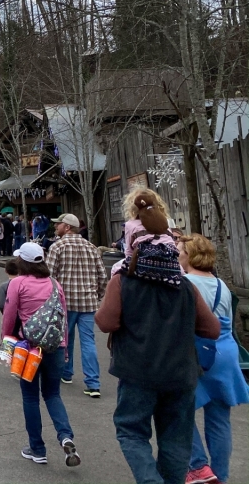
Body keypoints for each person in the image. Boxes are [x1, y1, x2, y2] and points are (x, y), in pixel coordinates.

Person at [95, 203, 221, 484]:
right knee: (176, 439)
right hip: (181, 373)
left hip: (137, 372)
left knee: (131, 431)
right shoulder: (185, 285)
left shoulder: (123, 281)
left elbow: (106, 323)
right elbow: (212, 329)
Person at [177, 234, 249, 484]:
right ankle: (220, 476)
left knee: (179, 411)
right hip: (225, 352)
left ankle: (198, 464)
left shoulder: (184, 283)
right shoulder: (222, 285)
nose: (177, 255)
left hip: (196, 352)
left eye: (180, 251)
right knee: (220, 420)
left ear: (190, 255)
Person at [2, 242, 80, 468]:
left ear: (22, 261)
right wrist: (64, 347)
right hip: (55, 347)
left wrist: (6, 341)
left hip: (29, 348)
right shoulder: (55, 284)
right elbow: (62, 317)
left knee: (30, 397)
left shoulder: (17, 283)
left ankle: (37, 449)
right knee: (53, 395)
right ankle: (65, 436)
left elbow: (9, 316)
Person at [46, 213, 107, 399]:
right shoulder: (91, 247)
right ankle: (93, 383)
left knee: (65, 339)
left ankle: (66, 372)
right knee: (88, 341)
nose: (56, 227)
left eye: (58, 225)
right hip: (88, 302)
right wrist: (98, 294)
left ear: (66, 227)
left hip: (66, 301)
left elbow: (49, 275)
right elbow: (102, 276)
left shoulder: (58, 246)